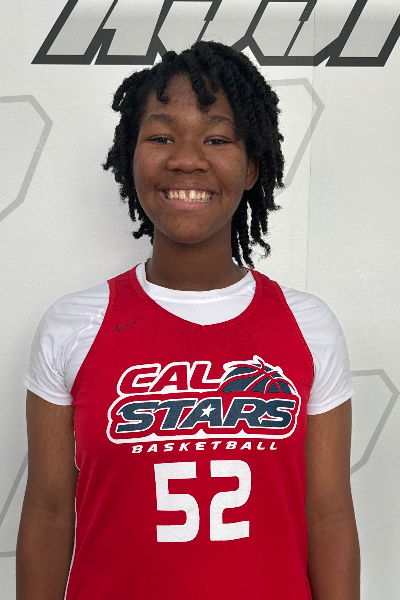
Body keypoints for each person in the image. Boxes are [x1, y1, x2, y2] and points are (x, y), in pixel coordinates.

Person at [16, 41, 360, 599]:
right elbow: (49, 512)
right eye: (161, 137)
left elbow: (329, 515)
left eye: (217, 139)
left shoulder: (308, 326)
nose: (187, 159)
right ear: (131, 157)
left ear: (251, 168)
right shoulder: (72, 325)